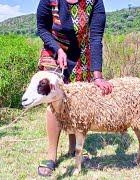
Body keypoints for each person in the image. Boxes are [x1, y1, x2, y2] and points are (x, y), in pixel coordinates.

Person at [36, 0, 113, 176]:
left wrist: (97, 77)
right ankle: (51, 157)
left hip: (80, 53)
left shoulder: (94, 2)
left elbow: (95, 38)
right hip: (54, 50)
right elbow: (42, 28)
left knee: (75, 102)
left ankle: (74, 148)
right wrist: (57, 50)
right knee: (54, 100)